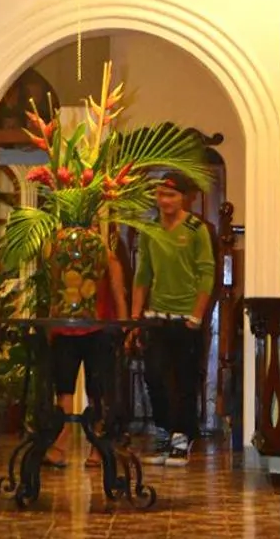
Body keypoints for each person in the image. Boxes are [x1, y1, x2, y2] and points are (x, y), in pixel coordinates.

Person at [130, 172, 215, 467]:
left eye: (171, 195)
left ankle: (182, 439)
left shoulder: (196, 230)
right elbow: (143, 274)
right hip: (156, 318)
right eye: (161, 195)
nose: (165, 201)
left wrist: (197, 315)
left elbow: (207, 272)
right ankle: (165, 433)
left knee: (184, 381)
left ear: (184, 198)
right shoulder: (150, 229)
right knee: (155, 377)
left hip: (186, 319)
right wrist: (135, 317)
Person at [44, 228, 127, 467]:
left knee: (97, 392)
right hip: (65, 329)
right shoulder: (60, 254)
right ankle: (61, 443)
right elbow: (55, 292)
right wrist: (51, 324)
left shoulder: (106, 256)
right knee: (64, 390)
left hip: (98, 330)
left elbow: (117, 292)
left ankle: (97, 446)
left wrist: (124, 327)